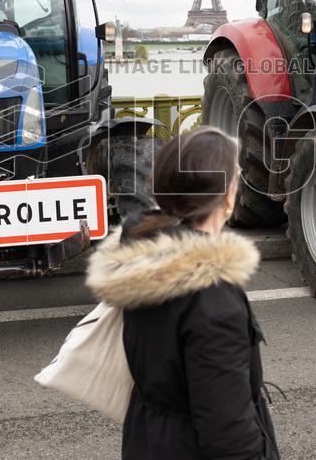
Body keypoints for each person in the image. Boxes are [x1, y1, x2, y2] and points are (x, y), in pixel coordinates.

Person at [87, 127, 280, 460]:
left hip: (149, 439)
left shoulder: (145, 256)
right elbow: (230, 440)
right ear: (227, 196)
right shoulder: (213, 302)